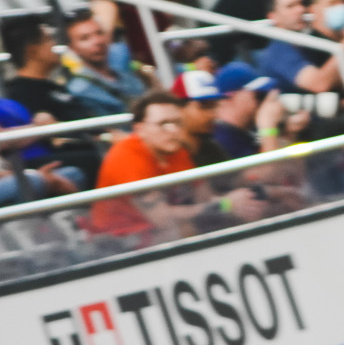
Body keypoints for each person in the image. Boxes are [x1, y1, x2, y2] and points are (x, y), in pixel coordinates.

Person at [88, 90, 264, 236]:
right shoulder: (126, 156)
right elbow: (162, 218)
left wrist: (241, 202)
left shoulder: (177, 150)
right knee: (184, 229)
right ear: (140, 129)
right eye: (163, 124)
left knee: (255, 209)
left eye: (177, 123)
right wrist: (224, 204)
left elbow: (205, 197)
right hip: (117, 240)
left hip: (154, 231)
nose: (172, 131)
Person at [0, 50, 81, 211]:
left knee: (71, 174)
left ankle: (73, 230)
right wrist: (31, 176)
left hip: (2, 175)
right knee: (36, 182)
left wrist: (29, 174)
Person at [63, 13, 150, 117]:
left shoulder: (128, 75)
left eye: (99, 33)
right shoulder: (79, 89)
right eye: (85, 38)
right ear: (72, 48)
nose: (97, 41)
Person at [209, 60, 285, 157]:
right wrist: (268, 128)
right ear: (229, 97)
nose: (262, 102)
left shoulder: (244, 131)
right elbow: (269, 171)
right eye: (258, 95)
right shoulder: (220, 139)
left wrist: (287, 133)